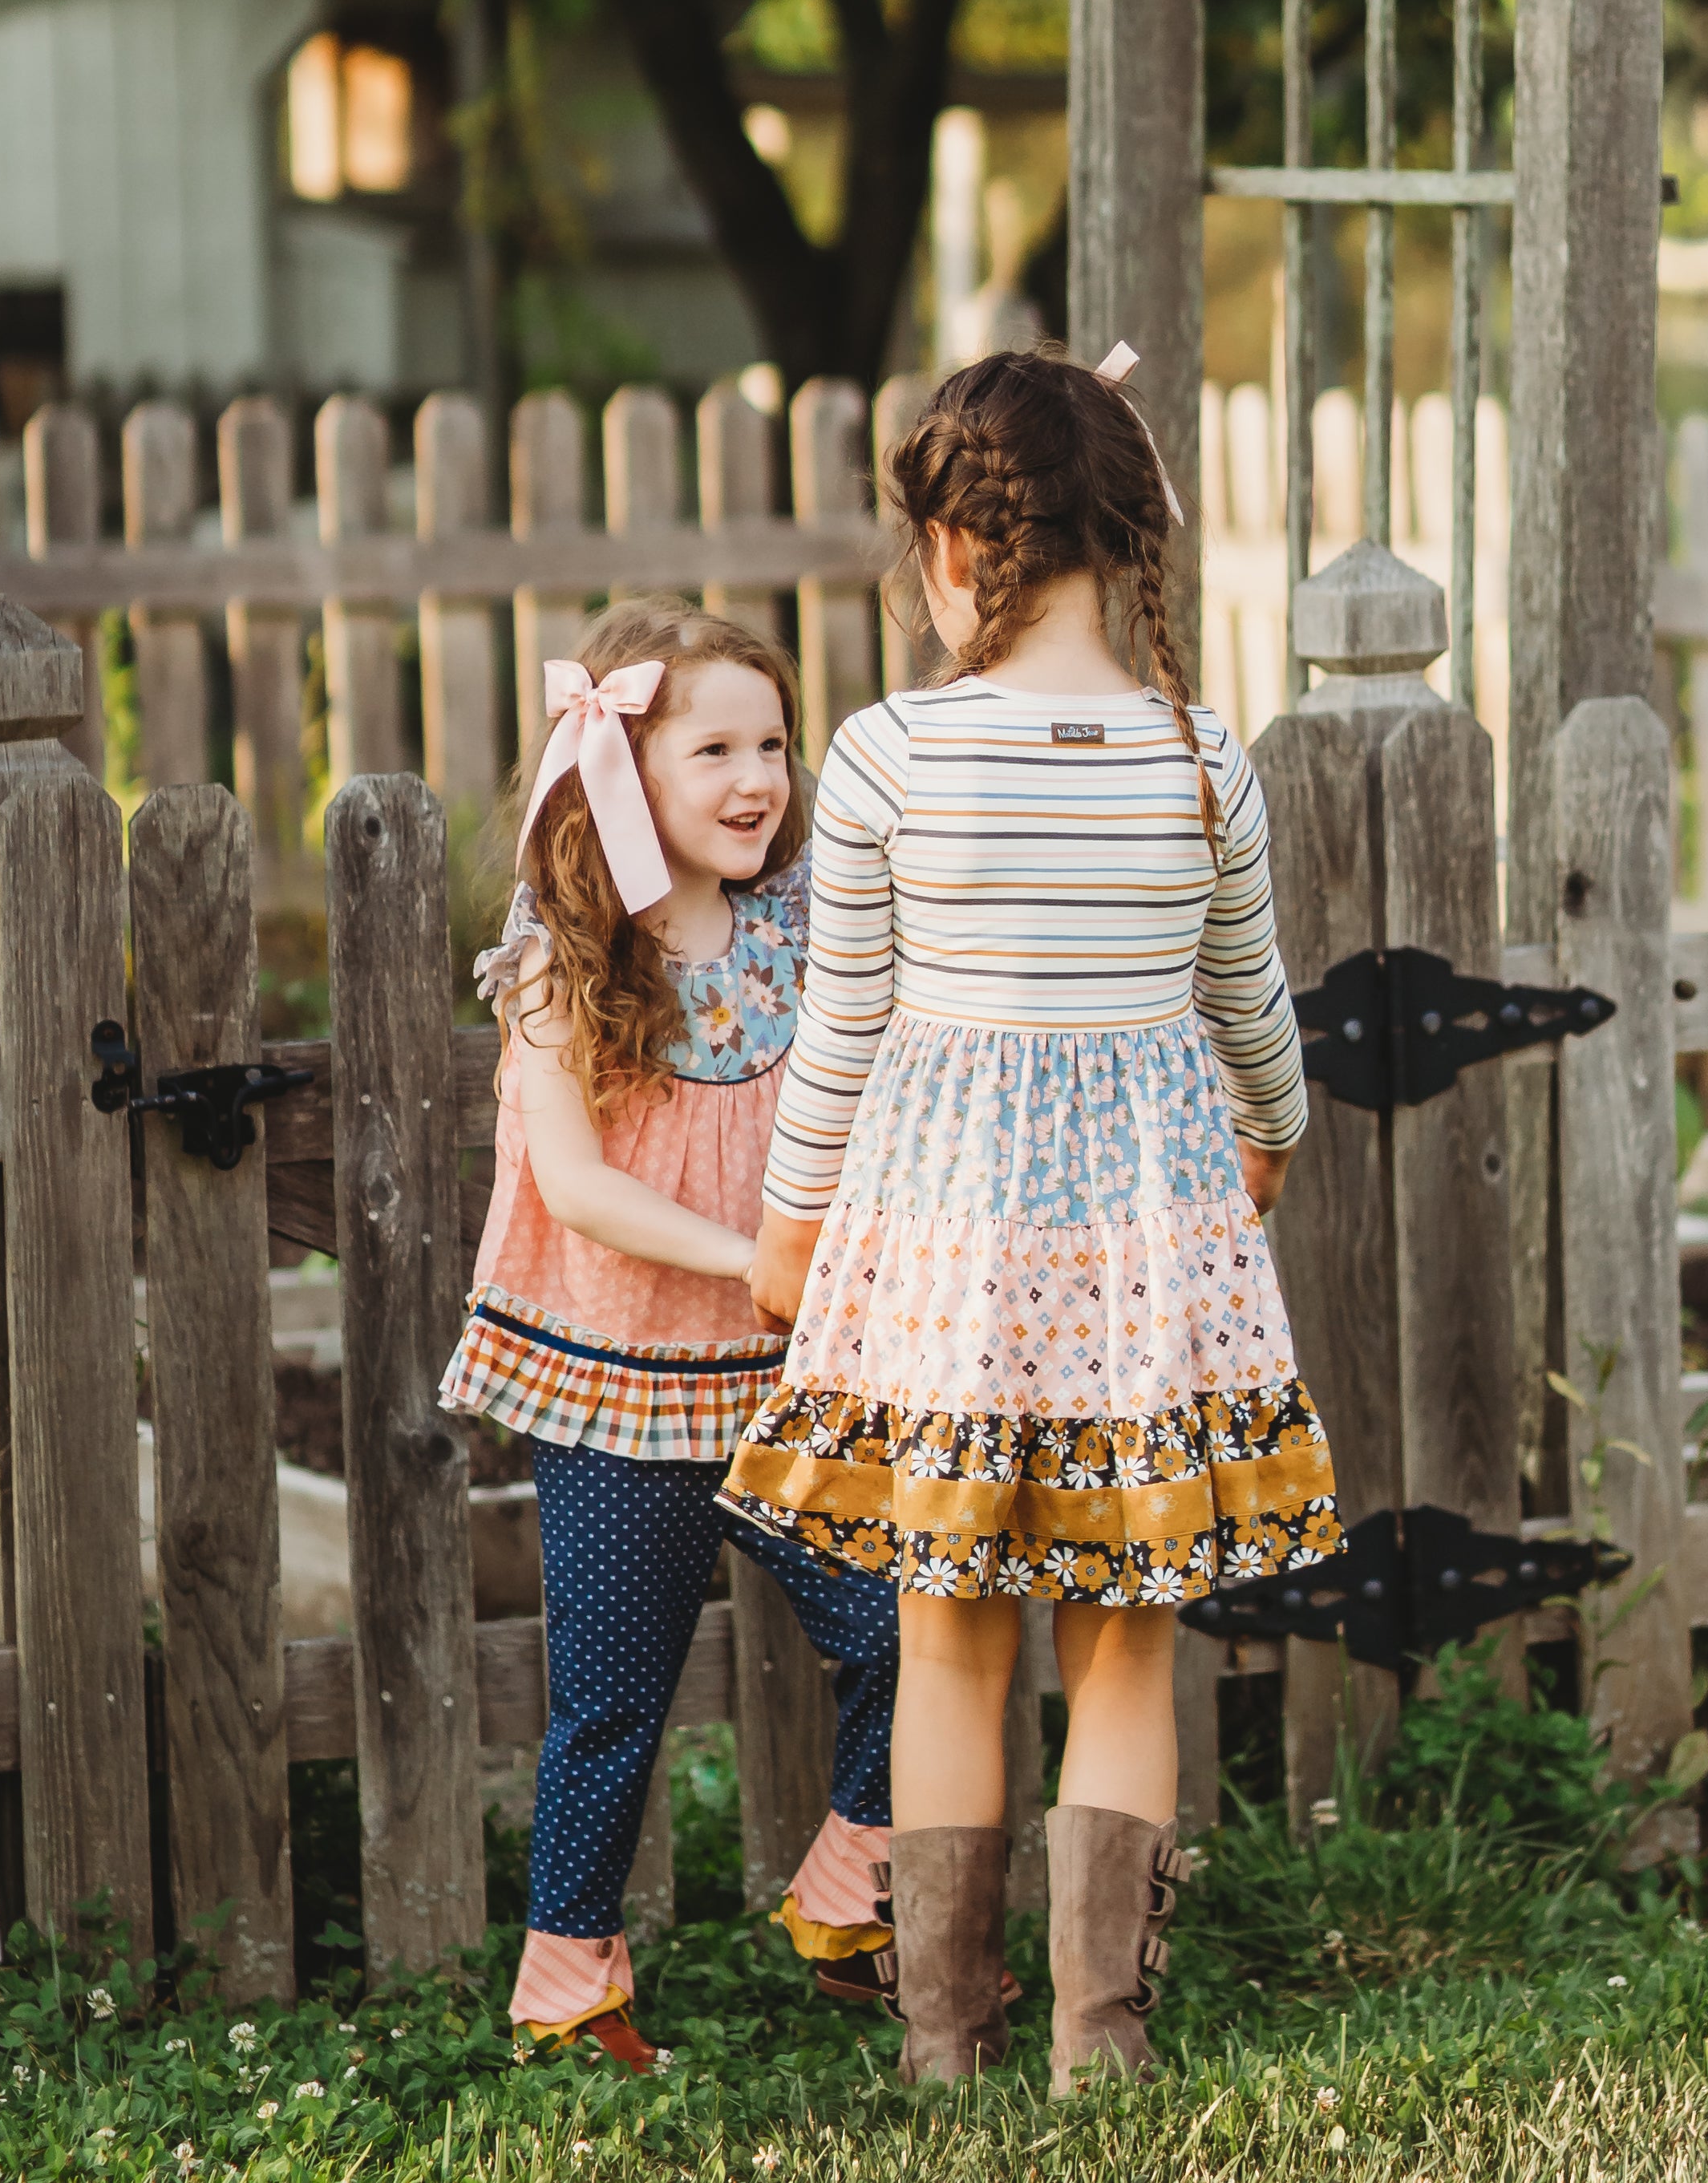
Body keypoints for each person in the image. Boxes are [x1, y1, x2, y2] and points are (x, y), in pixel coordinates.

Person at [725, 342, 1338, 2095]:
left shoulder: (886, 756)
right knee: (1126, 1630)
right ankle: (1101, 2041)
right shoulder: (1194, 759)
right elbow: (1252, 1010)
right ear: (1127, 535)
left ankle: (944, 2046)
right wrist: (1272, 1142)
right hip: (1143, 1271)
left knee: (947, 1631)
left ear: (952, 551)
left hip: (942, 1268)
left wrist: (787, 1237)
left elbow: (838, 1035)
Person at [441, 596, 905, 2072]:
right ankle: (568, 1991)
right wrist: (755, 1258)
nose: (756, 776)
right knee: (613, 1701)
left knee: (905, 1624)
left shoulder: (804, 919)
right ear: (622, 772)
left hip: (790, 1379)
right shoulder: (561, 956)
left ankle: (851, 1900)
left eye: (771, 742)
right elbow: (575, 1188)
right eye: (712, 748)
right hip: (617, 1383)